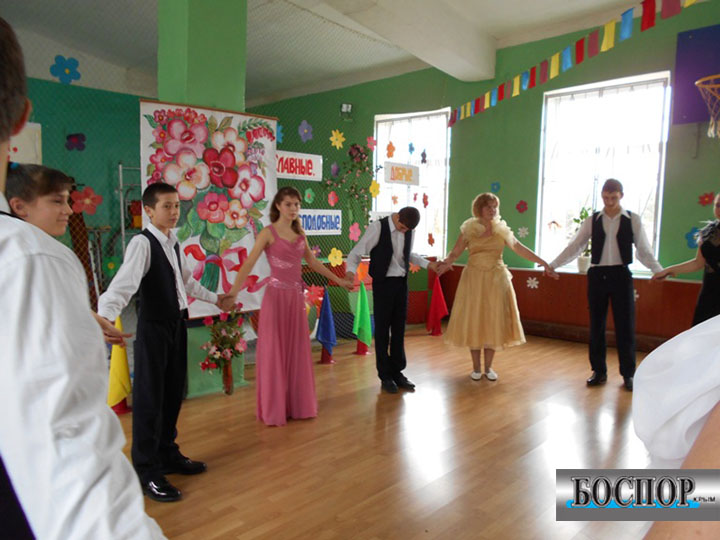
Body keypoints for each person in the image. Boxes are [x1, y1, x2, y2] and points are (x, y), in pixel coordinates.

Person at [0, 17, 165, 539]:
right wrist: (103, 313)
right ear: (21, 119)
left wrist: (85, 317)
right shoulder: (31, 260)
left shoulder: (35, 260)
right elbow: (68, 447)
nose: (68, 210)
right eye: (58, 202)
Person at [98, 182, 225, 502]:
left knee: (172, 393)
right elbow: (122, 286)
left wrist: (216, 299)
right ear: (149, 211)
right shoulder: (142, 244)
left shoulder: (174, 242)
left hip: (176, 324)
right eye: (166, 206)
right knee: (149, 399)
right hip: (154, 328)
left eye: (176, 205)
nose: (173, 212)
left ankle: (167, 452)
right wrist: (105, 316)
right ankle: (146, 469)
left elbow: (186, 282)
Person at [223, 186, 353, 425]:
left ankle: (297, 405)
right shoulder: (268, 232)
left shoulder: (301, 235)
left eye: (296, 204)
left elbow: (313, 263)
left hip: (295, 299)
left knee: (296, 350)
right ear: (278, 206)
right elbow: (249, 263)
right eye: (288, 204)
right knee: (275, 350)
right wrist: (232, 293)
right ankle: (275, 408)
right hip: (275, 298)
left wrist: (340, 280)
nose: (293, 209)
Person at [549, 179, 662, 391]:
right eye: (605, 197)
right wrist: (554, 264)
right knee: (597, 325)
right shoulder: (593, 220)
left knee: (625, 325)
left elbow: (643, 249)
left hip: (621, 275)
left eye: (613, 197)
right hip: (597, 275)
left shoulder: (632, 219)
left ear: (621, 196)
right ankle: (599, 371)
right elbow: (576, 246)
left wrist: (658, 270)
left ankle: (628, 374)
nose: (609, 201)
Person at [6, 162, 132, 346]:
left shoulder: (47, 253)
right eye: (57, 201)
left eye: (67, 201)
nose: (69, 210)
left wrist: (96, 324)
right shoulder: (37, 257)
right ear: (19, 206)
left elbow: (60, 303)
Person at [442, 193, 555, 381]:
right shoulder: (469, 229)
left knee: (493, 320)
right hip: (474, 279)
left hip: (496, 280)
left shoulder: (501, 229)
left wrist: (543, 262)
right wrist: (446, 262)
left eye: (495, 207)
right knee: (475, 320)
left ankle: (489, 367)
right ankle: (476, 368)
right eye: (488, 207)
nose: (492, 210)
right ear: (479, 209)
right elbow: (455, 252)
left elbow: (519, 248)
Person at [345, 206, 447, 394]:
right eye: (402, 228)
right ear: (397, 217)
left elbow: (408, 255)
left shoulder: (409, 230)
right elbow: (356, 252)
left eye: (408, 230)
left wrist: (429, 264)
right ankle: (385, 375)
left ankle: (397, 372)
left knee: (399, 329)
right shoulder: (378, 228)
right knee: (383, 330)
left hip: (401, 284)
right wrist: (350, 272)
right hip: (383, 284)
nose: (404, 231)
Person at [652, 193, 720, 326]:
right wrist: (668, 270)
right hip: (709, 292)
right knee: (701, 332)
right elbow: (697, 263)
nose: (719, 209)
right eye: (717, 205)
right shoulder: (708, 232)